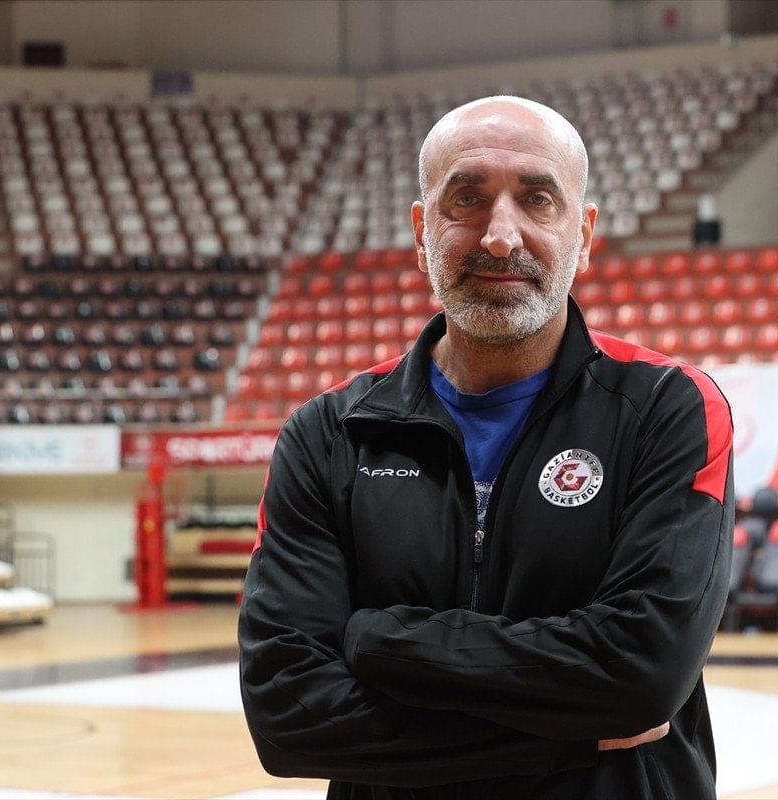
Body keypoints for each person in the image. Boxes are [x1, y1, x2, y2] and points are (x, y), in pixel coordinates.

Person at [238, 95, 735, 799]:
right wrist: (572, 730)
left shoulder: (667, 407)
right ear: (422, 232)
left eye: (538, 200)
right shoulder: (330, 433)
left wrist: (381, 641)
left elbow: (643, 674)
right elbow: (290, 719)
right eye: (467, 199)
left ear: (584, 234)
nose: (501, 237)